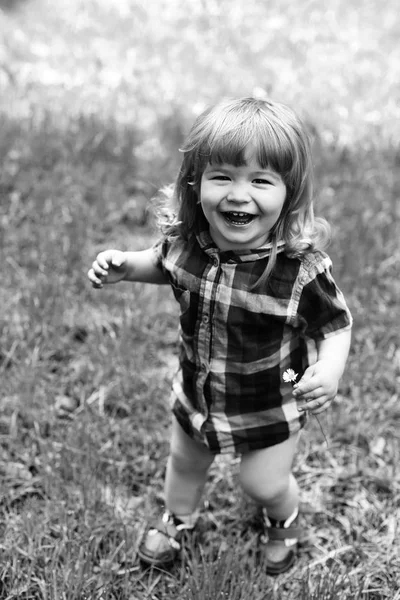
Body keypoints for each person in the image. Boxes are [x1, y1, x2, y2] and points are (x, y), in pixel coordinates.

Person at [88, 97, 352, 575]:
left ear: (288, 194)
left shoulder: (299, 269)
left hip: (270, 400)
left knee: (262, 482)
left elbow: (335, 325)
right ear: (195, 184)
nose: (238, 194)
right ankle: (177, 520)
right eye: (222, 176)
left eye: (260, 181)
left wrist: (330, 369)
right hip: (200, 396)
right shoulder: (190, 244)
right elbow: (162, 264)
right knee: (184, 461)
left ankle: (284, 515)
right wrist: (126, 265)